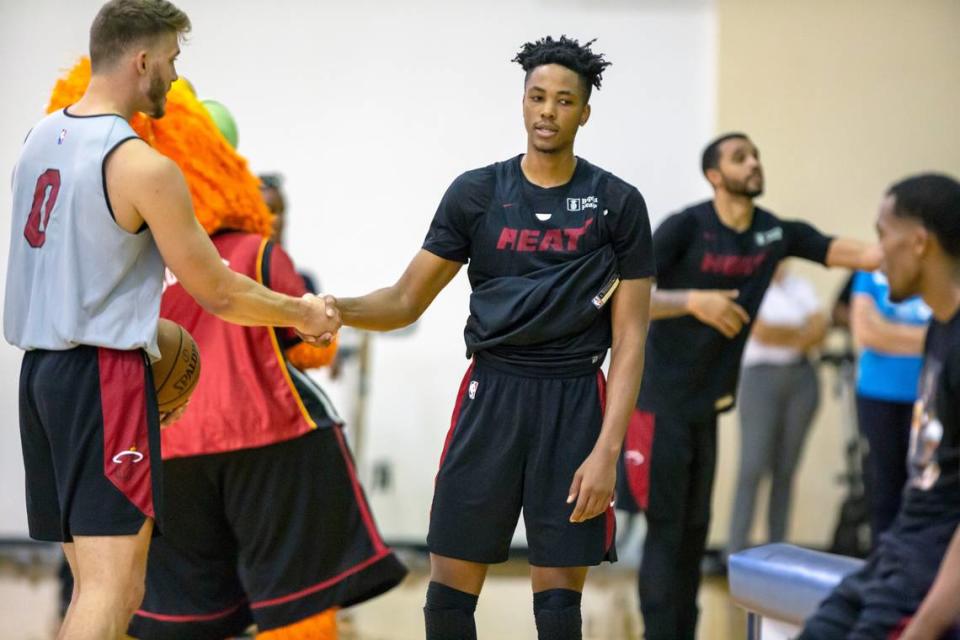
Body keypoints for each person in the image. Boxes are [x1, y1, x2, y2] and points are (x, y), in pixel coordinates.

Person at [3, 3, 338, 638]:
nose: (175, 77)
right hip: (102, 380)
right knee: (115, 588)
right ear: (143, 61)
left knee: (89, 585)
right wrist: (301, 311)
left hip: (39, 378)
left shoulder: (38, 140)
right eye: (174, 62)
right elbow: (216, 290)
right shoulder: (143, 166)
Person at [328, 36, 654, 640]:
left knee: (558, 609)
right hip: (492, 394)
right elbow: (404, 300)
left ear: (584, 112)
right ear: (522, 103)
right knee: (448, 597)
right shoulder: (478, 193)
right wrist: (333, 309)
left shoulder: (617, 204)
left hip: (576, 399)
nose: (547, 111)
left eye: (563, 100)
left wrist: (608, 450)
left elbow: (631, 338)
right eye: (537, 97)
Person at [616, 132, 882, 640]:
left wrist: (902, 243)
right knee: (667, 533)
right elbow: (628, 298)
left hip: (707, 407)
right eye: (740, 157)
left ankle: (684, 632)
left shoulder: (771, 233)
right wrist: (693, 300)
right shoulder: (685, 228)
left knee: (695, 534)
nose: (754, 162)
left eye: (756, 153)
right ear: (715, 175)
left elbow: (844, 251)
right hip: (657, 405)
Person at [800, 174, 960, 640]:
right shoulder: (940, 330)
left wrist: (925, 625)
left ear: (919, 242)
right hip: (894, 560)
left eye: (882, 235)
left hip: (924, 579)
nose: (875, 254)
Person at [727, 261, 827, 555]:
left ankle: (777, 549)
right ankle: (735, 550)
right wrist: (801, 333)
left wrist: (794, 335)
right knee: (753, 466)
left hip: (801, 379)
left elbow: (821, 328)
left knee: (785, 470)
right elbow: (762, 332)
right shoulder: (749, 285)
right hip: (760, 379)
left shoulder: (801, 286)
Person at [850, 268, 931, 544]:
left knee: (924, 488)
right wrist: (927, 337)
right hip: (878, 394)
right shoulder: (870, 273)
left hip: (927, 396)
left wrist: (888, 331)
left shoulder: (938, 268)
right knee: (883, 486)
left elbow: (950, 335)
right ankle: (881, 566)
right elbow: (866, 333)